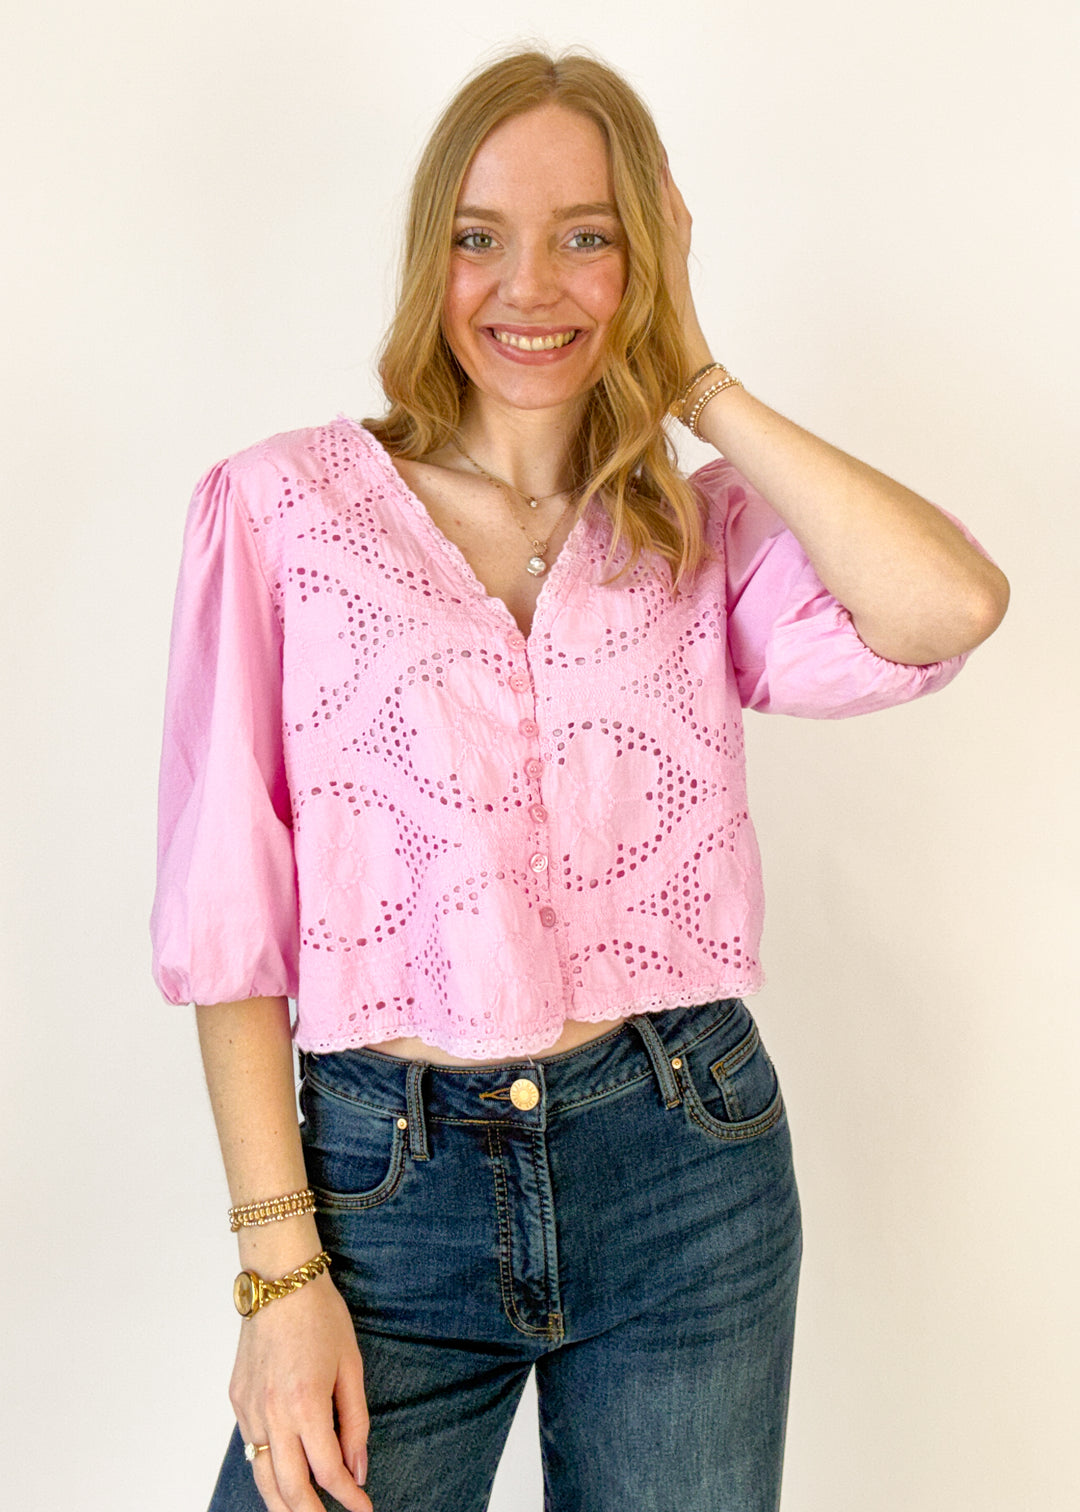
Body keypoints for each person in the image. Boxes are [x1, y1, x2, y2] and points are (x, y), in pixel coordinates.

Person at [150, 47, 1008, 1512]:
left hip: (685, 1156)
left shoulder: (690, 529)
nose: (527, 284)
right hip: (380, 1189)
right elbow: (232, 912)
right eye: (481, 237)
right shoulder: (282, 510)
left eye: (586, 237)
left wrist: (698, 379)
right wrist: (277, 1269)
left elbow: (948, 607)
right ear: (433, 258)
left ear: (644, 265)